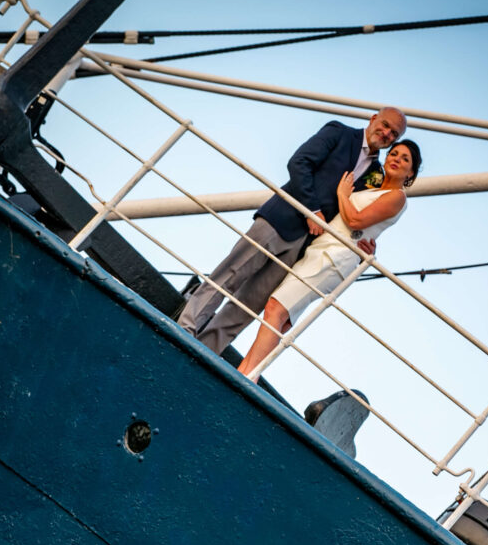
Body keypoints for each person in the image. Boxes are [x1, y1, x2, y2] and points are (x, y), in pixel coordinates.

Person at [177, 108, 407, 355]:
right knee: (229, 276)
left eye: (393, 133)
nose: (386, 134)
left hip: (303, 246)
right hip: (279, 220)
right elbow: (299, 163)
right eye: (384, 125)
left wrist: (367, 244)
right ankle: (185, 329)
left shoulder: (377, 175)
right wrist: (312, 210)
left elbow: (364, 214)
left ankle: (204, 352)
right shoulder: (339, 132)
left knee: (250, 304)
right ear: (373, 119)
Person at [237, 140, 422, 379]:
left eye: (405, 159)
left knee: (277, 308)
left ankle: (246, 374)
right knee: (282, 315)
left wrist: (343, 194)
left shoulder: (397, 197)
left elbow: (356, 221)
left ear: (411, 172)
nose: (396, 159)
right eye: (394, 153)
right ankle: (247, 373)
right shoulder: (371, 190)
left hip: (335, 257)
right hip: (323, 249)